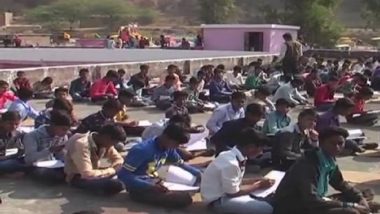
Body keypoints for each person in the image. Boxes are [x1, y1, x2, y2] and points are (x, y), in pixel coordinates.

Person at [273, 127, 377, 214]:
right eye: (332, 143)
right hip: (296, 208)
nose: (337, 147)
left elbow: (339, 183)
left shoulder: (328, 160)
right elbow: (311, 200)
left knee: (366, 194)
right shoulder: (307, 164)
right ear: (321, 143)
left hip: (314, 202)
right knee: (351, 212)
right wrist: (350, 205)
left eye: (340, 143)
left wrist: (359, 198)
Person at [118, 124, 201, 208]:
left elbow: (180, 164)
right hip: (139, 189)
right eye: (176, 143)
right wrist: (151, 186)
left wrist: (198, 173)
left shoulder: (168, 148)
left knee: (198, 181)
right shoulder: (142, 150)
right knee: (183, 200)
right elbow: (123, 175)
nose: (177, 147)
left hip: (155, 182)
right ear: (165, 137)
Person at [201, 128, 274, 214]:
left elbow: (234, 181)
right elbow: (232, 193)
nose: (261, 153)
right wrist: (259, 185)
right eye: (261, 149)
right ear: (251, 147)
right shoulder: (231, 163)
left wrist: (256, 180)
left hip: (224, 193)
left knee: (267, 199)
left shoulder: (231, 155)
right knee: (266, 209)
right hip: (218, 201)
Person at [65, 125, 126, 195]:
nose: (113, 145)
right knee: (117, 185)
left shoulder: (104, 143)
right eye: (114, 143)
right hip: (78, 176)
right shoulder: (82, 144)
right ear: (106, 138)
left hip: (94, 172)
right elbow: (87, 174)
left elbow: (118, 159)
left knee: (126, 174)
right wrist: (113, 170)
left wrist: (116, 167)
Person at [24, 110, 71, 184]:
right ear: (52, 125)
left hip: (54, 165)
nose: (66, 132)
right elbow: (29, 159)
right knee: (52, 176)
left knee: (73, 171)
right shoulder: (32, 136)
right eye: (63, 129)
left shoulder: (62, 136)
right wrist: (50, 150)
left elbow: (61, 156)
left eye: (67, 130)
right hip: (36, 166)